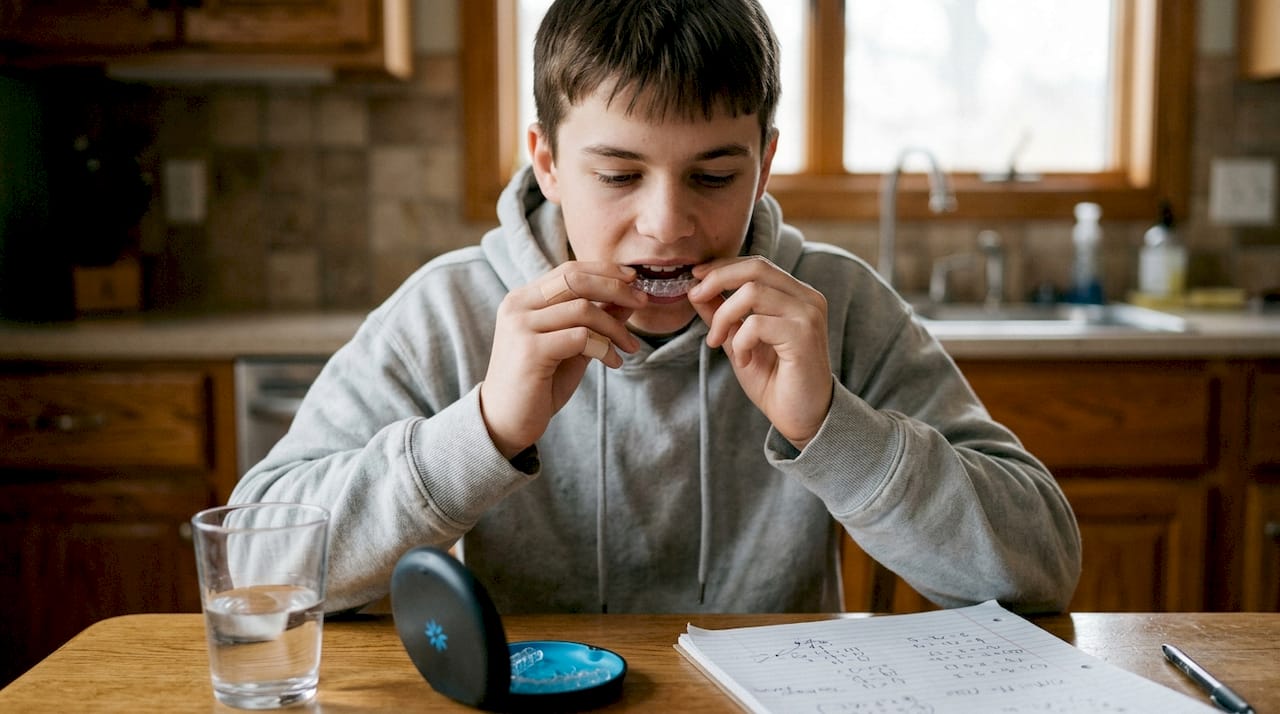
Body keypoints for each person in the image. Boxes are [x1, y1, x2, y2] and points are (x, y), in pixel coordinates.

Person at [230, 0, 1080, 615]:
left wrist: (833, 428)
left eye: (715, 176)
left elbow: (1041, 568)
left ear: (765, 164)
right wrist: (483, 431)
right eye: (618, 174)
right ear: (548, 161)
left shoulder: (838, 307)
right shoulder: (451, 308)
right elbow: (254, 563)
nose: (669, 224)